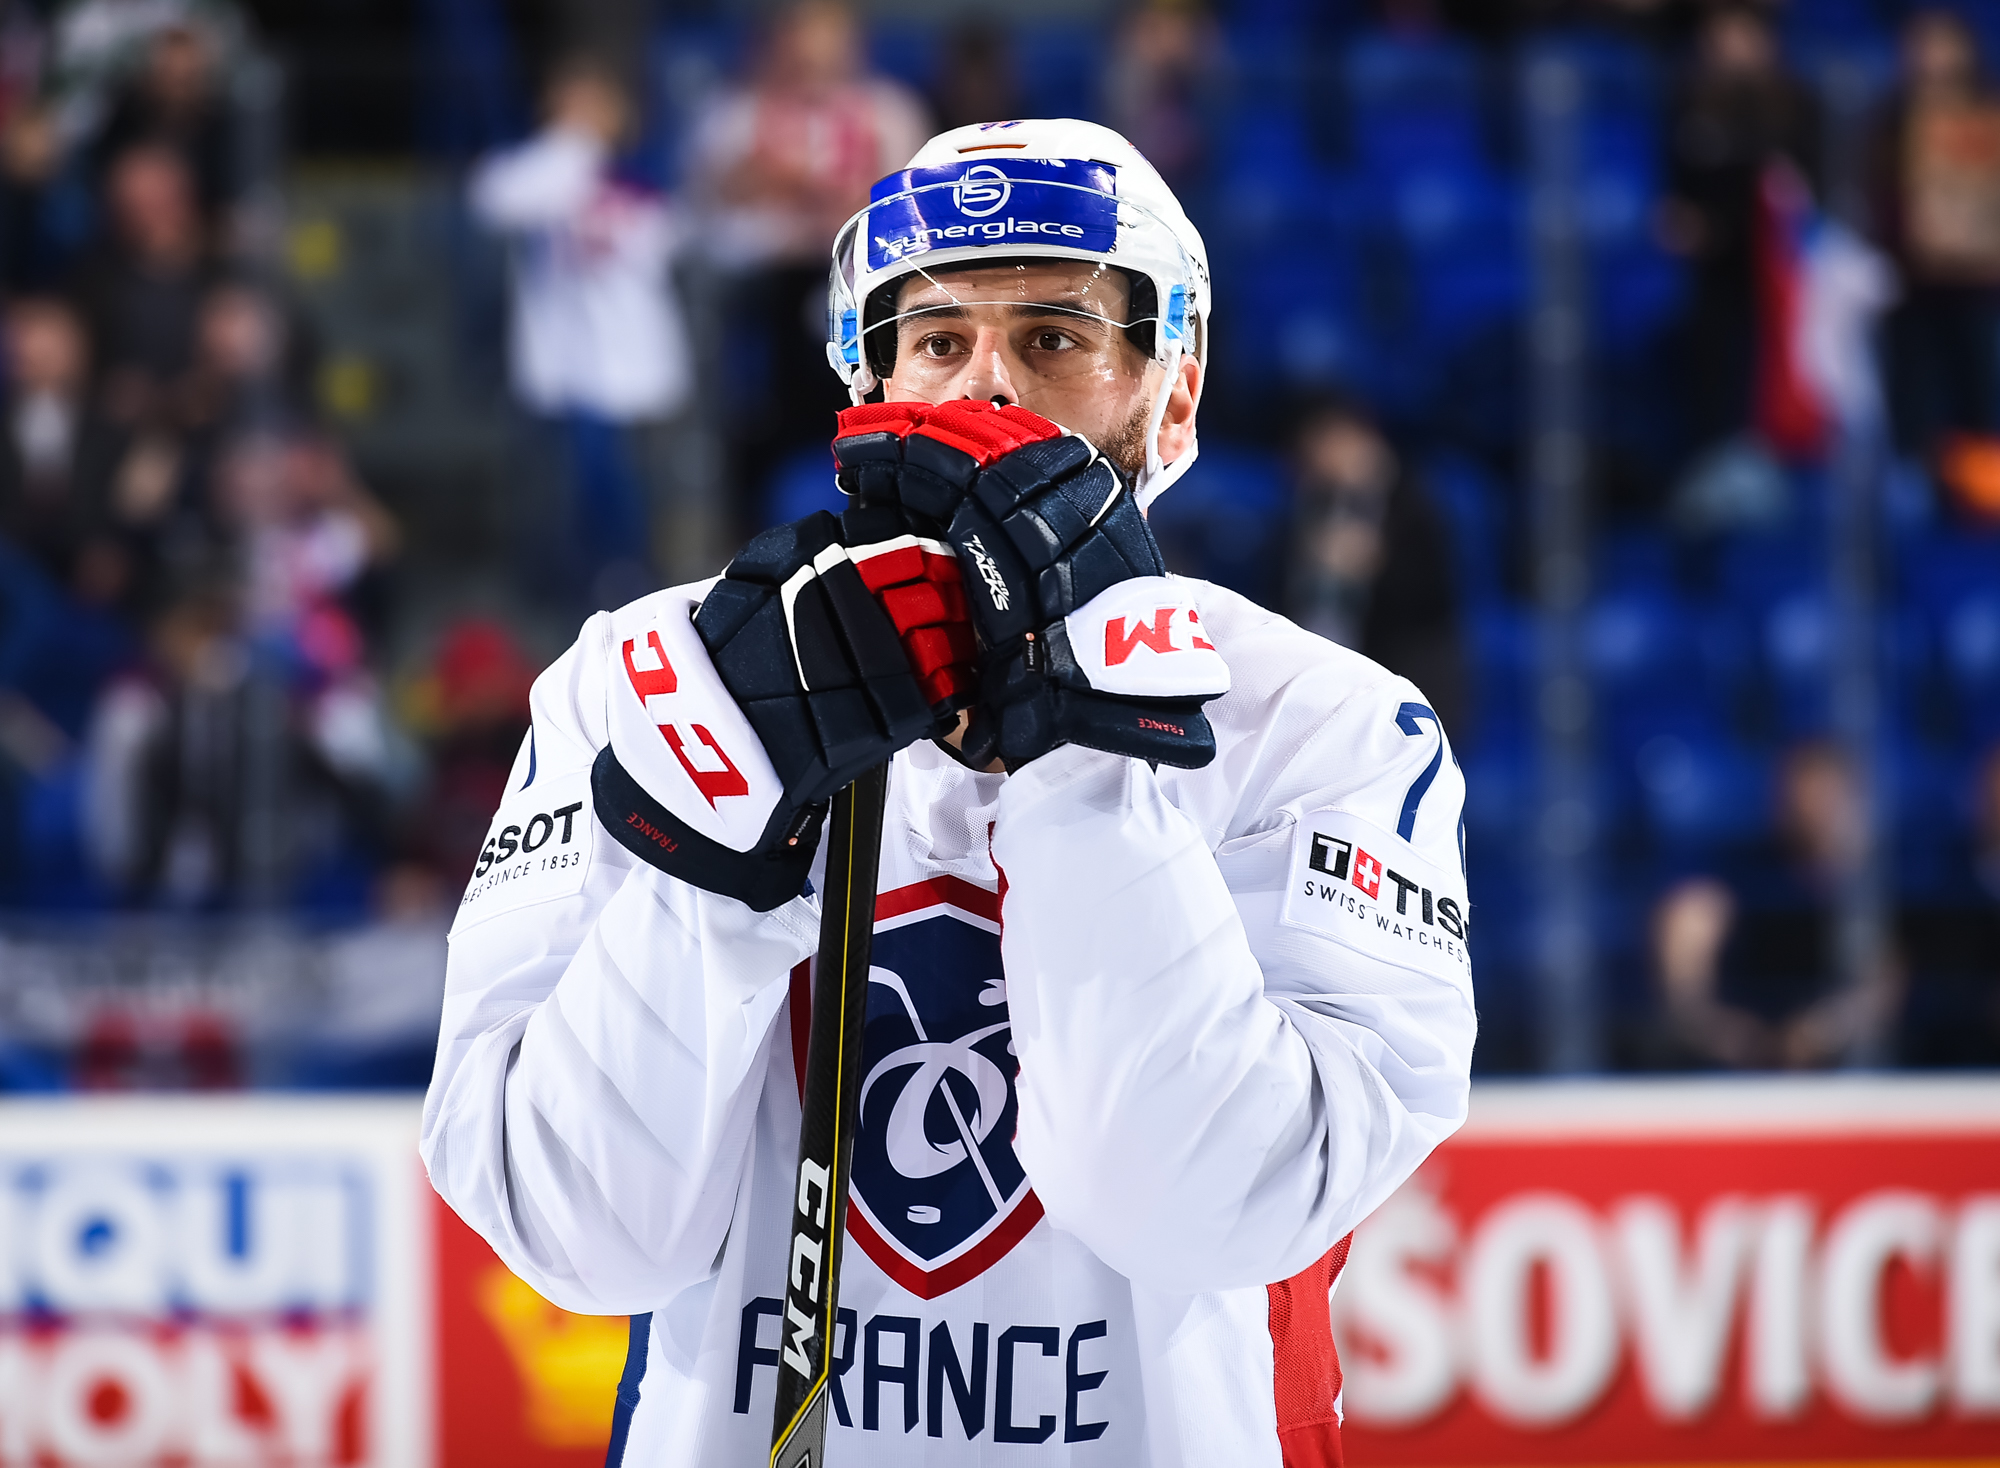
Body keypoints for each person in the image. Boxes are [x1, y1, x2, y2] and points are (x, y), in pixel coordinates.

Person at [424, 119, 1473, 1464]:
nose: (985, 391)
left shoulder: (1327, 726)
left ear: (1170, 390)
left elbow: (1209, 1209)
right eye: (936, 342)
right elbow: (577, 1235)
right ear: (863, 383)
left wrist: (1089, 755)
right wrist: (708, 850)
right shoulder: (640, 683)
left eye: (1053, 340)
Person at [469, 56, 700, 609]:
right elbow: (491, 197)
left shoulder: (638, 181)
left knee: (632, 496)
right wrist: (569, 144)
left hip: (633, 366)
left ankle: (633, 590)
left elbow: (672, 238)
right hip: (569, 367)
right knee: (569, 497)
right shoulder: (550, 170)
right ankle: (572, 596)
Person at [685, 0, 929, 524]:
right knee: (757, 417)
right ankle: (746, 532)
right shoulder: (737, 114)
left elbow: (909, 206)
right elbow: (703, 204)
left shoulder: (887, 111)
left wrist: (833, 199)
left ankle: (881, 522)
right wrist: (761, 179)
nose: (813, 59)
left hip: (857, 282)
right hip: (761, 289)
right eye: (802, 41)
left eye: (828, 41)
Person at [1648, 740, 1901, 1069]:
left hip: (1844, 1066)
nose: (1814, 807)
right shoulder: (1736, 877)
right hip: (1737, 1062)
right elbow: (1687, 974)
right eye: (1804, 792)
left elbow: (1886, 984)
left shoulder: (1871, 891)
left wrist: (1822, 1032)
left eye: (1829, 794)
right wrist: (1717, 1028)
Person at [1658, 3, 1821, 457]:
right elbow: (1675, 189)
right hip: (1710, 274)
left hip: (1779, 270)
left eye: (1740, 33)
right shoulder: (1685, 100)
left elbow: (1803, 191)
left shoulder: (1796, 107)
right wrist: (1684, 221)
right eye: (1719, 33)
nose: (1728, 45)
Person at [1869, 8, 2000, 488]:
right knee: (1912, 402)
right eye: (1922, 47)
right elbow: (1873, 203)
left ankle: (1981, 502)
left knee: (1980, 401)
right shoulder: (1889, 122)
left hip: (1978, 291)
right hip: (1911, 287)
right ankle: (1913, 498)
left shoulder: (1990, 114)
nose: (1933, 59)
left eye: (1944, 45)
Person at [1284, 394, 1466, 738]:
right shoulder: (1311, 504)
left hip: (1401, 675)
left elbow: (1436, 598)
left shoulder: (1417, 501)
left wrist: (1375, 563)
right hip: (1321, 671)